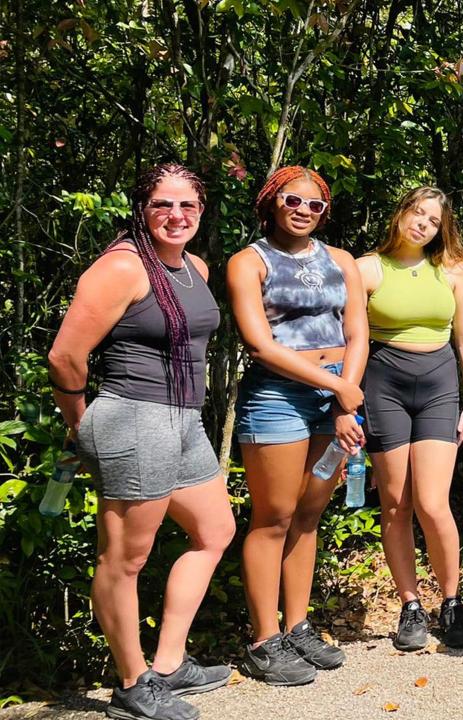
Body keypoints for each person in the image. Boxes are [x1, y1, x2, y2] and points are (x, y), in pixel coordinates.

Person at [48, 163, 235, 720]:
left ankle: (169, 664)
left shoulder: (194, 266)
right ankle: (132, 684)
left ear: (201, 212)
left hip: (183, 420)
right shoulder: (121, 268)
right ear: (142, 208)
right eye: (163, 205)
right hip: (133, 416)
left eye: (188, 206)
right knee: (125, 558)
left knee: (214, 530)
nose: (176, 216)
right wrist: (80, 422)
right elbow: (65, 355)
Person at [228, 166, 368, 685]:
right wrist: (337, 391)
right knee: (274, 516)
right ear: (271, 202)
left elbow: (356, 332)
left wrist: (345, 400)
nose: (304, 210)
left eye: (315, 204)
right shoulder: (249, 262)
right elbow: (261, 344)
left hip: (336, 394)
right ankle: (264, 640)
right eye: (293, 200)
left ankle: (298, 624)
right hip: (277, 395)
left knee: (309, 513)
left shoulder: (342, 261)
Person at [356, 186, 463, 651]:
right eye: (417, 212)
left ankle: (452, 601)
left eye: (433, 219)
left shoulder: (452, 271)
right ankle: (410, 604)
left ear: (440, 230)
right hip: (383, 384)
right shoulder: (367, 268)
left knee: (432, 502)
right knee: (395, 503)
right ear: (401, 212)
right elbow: (355, 339)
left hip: (439, 385)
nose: (423, 223)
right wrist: (349, 401)